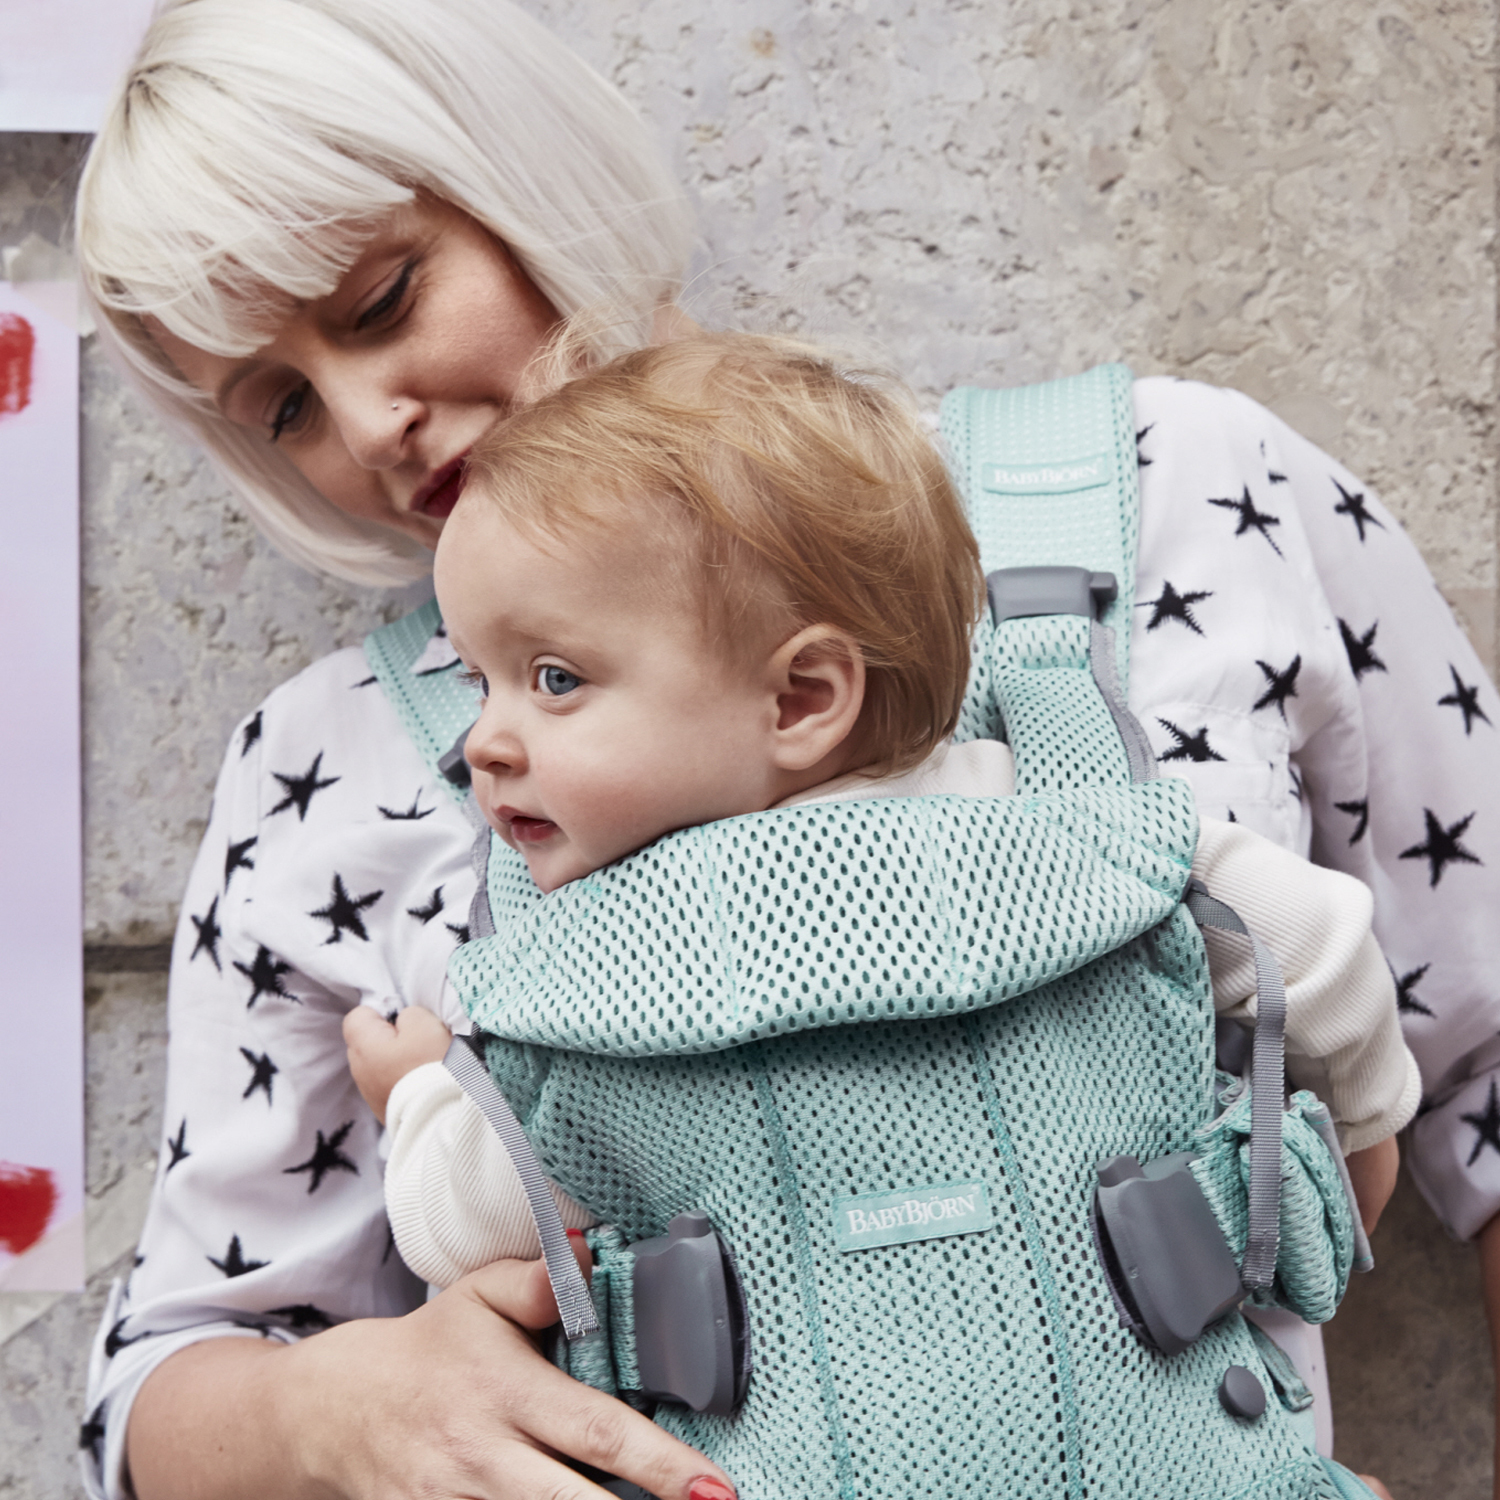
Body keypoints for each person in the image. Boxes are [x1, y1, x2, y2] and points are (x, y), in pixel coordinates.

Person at [71, 0, 1500, 1496]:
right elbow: (150, 1393)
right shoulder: (324, 777)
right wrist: (326, 1418)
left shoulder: (1175, 495)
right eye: (283, 404)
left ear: (519, 170)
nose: (368, 424)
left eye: (380, 301)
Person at [343, 332, 1416, 1312]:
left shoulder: (587, 976)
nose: (484, 740)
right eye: (481, 683)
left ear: (803, 699)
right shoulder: (1078, 828)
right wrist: (1362, 1128)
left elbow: (451, 1224)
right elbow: (1319, 945)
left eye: (554, 678)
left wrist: (423, 1095)